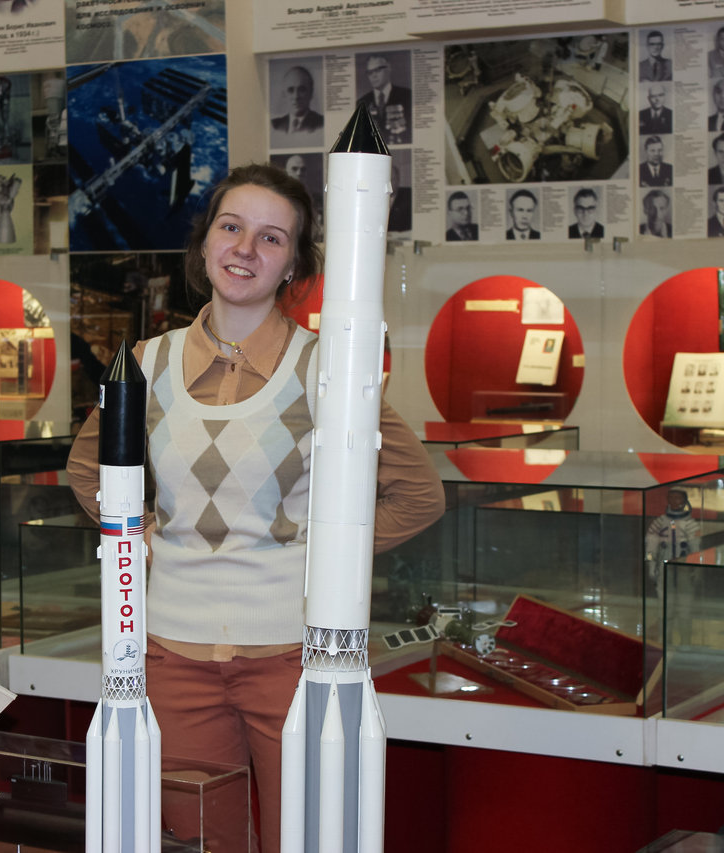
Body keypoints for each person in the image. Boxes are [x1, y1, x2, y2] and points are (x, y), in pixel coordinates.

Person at [66, 163, 444, 853]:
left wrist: (321, 557)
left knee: (307, 839)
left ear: (294, 263)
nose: (245, 248)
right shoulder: (146, 364)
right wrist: (141, 536)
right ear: (204, 242)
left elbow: (418, 495)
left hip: (294, 662)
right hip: (171, 658)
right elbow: (88, 469)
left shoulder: (326, 371)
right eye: (231, 227)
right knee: (200, 842)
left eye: (271, 238)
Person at [356, 54, 411, 144]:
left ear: (389, 68)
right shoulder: (361, 103)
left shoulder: (407, 95)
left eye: (377, 70)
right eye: (370, 72)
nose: (373, 76)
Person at [270, 65, 323, 145]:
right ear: (284, 94)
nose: (296, 97)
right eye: (290, 90)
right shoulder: (274, 125)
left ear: (311, 93)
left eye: (302, 90)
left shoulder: (321, 123)